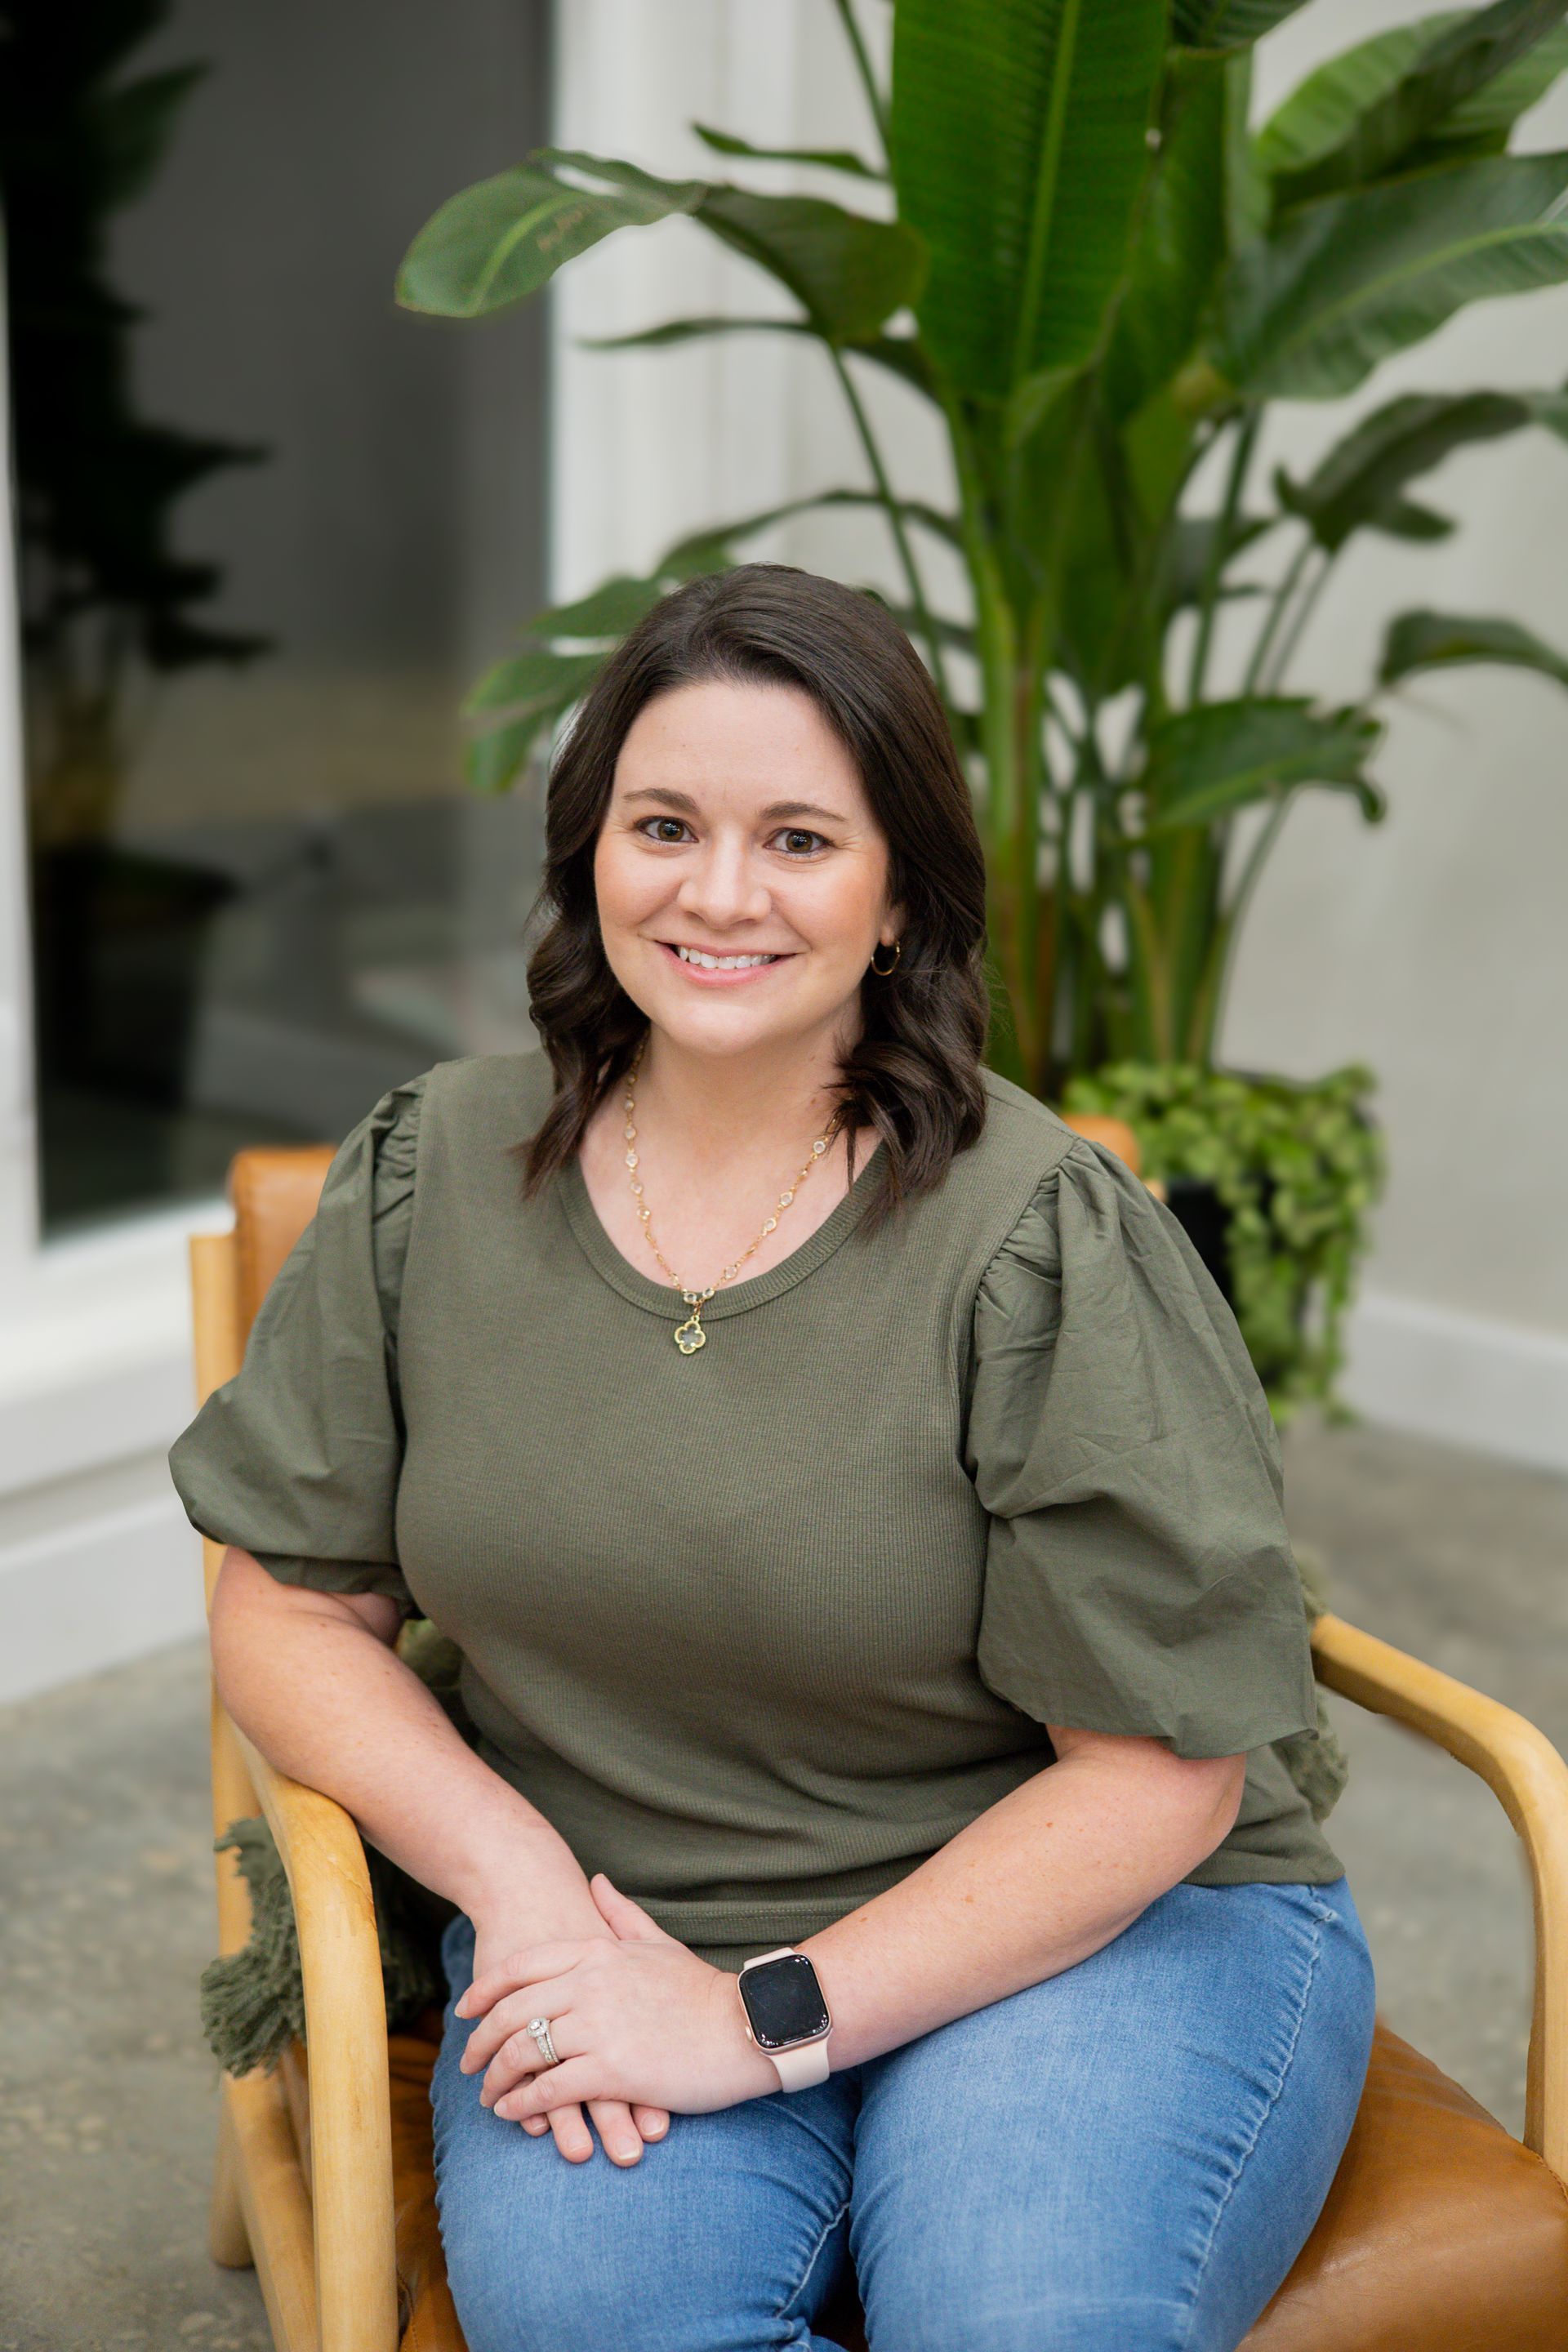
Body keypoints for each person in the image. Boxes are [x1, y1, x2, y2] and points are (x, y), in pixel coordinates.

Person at [171, 565, 1374, 2352]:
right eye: (664, 825)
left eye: (801, 838)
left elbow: (1156, 1782)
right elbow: (286, 1607)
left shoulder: (1037, 1238)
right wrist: (518, 1898)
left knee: (1018, 2325)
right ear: (592, 853)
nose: (719, 894)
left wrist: (753, 2021)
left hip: (1088, 1933)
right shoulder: (431, 1173)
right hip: (609, 1925)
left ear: (898, 896)